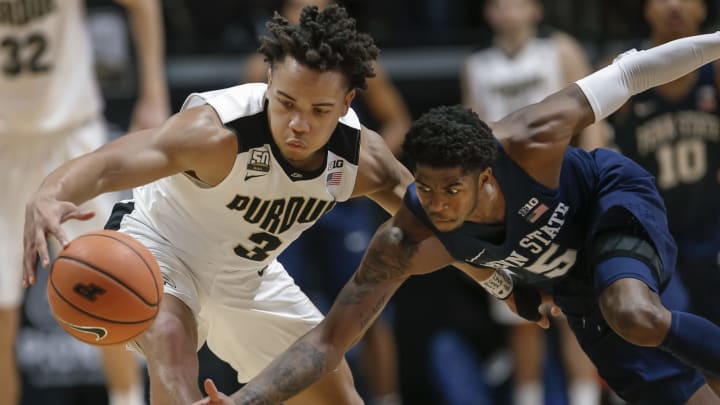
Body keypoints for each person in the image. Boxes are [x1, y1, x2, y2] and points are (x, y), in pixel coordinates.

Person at [197, 32, 720, 405]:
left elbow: (632, 72)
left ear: (487, 177)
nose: (438, 203)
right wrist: (245, 401)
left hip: (607, 201)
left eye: (452, 190)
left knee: (634, 315)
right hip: (567, 276)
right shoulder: (407, 234)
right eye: (426, 187)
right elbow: (330, 339)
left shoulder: (529, 136)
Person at [22, 5, 412, 405]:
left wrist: (483, 269)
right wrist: (51, 194)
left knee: (337, 394)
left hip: (246, 274)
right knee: (170, 341)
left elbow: (437, 222)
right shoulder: (217, 131)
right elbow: (109, 166)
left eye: (319, 111)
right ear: (269, 79)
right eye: (286, 102)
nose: (299, 123)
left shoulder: (360, 159)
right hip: (160, 249)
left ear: (347, 102)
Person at [0, 1, 169, 404]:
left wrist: (154, 92)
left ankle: (127, 399)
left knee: (113, 284)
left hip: (72, 136)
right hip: (4, 147)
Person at [245, 2, 410, 404]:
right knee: (286, 312)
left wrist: (356, 172)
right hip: (283, 205)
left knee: (369, 310)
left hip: (340, 199)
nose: (309, 13)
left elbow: (398, 121)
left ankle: (387, 398)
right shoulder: (259, 70)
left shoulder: (362, 64)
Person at [460, 1, 603, 403]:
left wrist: (597, 179)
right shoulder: (477, 63)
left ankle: (586, 397)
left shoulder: (560, 49)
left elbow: (594, 120)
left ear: (536, 10)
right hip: (505, 200)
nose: (506, 9)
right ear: (487, 13)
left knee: (576, 310)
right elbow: (469, 133)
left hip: (562, 191)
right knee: (522, 315)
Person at [608, 0, 720, 330]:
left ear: (702, 9)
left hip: (710, 220)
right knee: (665, 328)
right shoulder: (622, 72)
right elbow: (595, 145)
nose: (674, 5)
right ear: (645, 9)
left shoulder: (715, 70)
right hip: (650, 227)